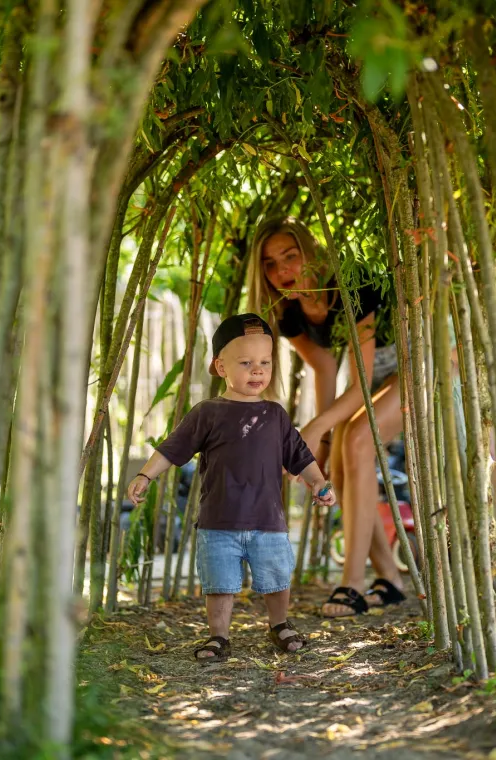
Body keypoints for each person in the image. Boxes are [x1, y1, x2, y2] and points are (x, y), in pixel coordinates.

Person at [127, 313, 336, 663]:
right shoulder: (207, 412)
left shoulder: (274, 414)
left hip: (267, 519)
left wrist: (318, 481)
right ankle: (218, 636)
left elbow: (299, 455)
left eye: (265, 363)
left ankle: (279, 624)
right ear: (220, 367)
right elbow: (172, 448)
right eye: (246, 362)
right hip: (218, 521)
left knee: (276, 578)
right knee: (219, 584)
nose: (257, 370)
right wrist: (145, 475)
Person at [247, 216, 408, 618]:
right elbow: (323, 370)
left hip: (417, 368)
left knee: (355, 441)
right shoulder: (289, 311)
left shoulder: (353, 285)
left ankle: (352, 583)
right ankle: (389, 578)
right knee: (339, 457)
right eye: (271, 263)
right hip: (373, 384)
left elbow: (362, 380)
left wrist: (316, 429)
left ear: (311, 252)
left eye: (291, 256)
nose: (283, 270)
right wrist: (320, 444)